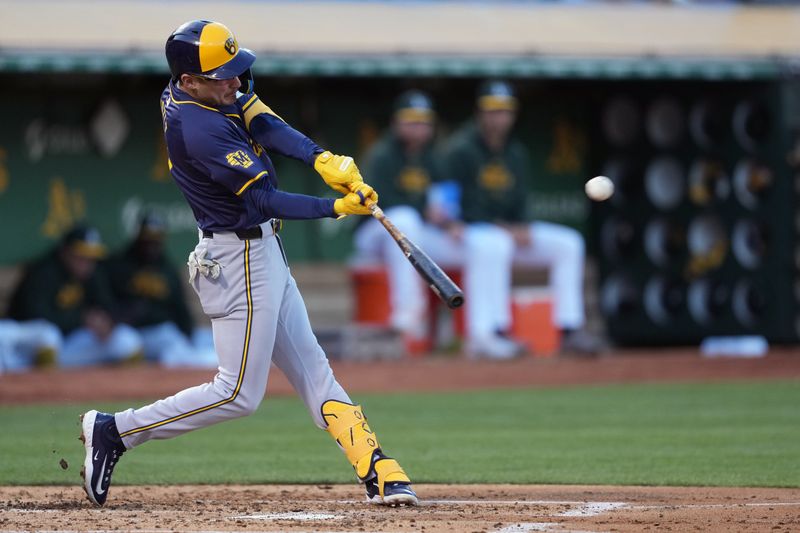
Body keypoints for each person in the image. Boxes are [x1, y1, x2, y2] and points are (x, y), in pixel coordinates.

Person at [78, 20, 417, 508]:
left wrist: (321, 158)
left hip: (263, 251)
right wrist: (336, 207)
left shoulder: (197, 90)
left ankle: (375, 465)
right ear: (190, 81)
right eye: (223, 76)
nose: (235, 82)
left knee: (313, 368)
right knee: (237, 392)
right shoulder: (198, 128)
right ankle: (115, 430)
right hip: (238, 258)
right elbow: (263, 200)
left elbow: (260, 117)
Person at [441, 80, 604, 359]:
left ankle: (570, 328)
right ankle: (489, 332)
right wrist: (505, 228)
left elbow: (520, 202)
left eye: (504, 111)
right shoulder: (460, 149)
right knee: (495, 242)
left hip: (505, 233)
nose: (498, 117)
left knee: (568, 243)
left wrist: (523, 227)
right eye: (492, 111)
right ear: (480, 113)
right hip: (469, 233)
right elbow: (456, 205)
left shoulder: (515, 152)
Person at [353, 90, 454, 346]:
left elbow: (445, 197)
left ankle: (466, 329)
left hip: (414, 234)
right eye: (411, 120)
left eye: (423, 121)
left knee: (476, 243)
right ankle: (408, 315)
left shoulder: (433, 157)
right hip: (373, 234)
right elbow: (381, 206)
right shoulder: (382, 155)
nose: (418, 127)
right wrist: (425, 211)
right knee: (406, 219)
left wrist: (449, 219)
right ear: (396, 122)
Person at [8, 225, 143, 367]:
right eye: (81, 255)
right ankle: (37, 383)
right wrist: (81, 319)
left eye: (91, 257)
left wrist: (105, 323)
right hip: (32, 346)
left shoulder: (93, 275)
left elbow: (105, 305)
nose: (87, 262)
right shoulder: (44, 273)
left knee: (126, 339)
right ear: (66, 251)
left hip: (69, 346)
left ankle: (113, 387)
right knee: (48, 336)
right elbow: (35, 317)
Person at [105, 213, 217, 368]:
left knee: (205, 338)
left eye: (156, 239)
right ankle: (212, 365)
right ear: (139, 237)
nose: (152, 245)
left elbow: (180, 307)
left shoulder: (167, 269)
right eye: (148, 239)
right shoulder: (120, 265)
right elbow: (111, 304)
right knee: (174, 345)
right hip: (136, 333)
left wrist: (188, 332)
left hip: (165, 330)